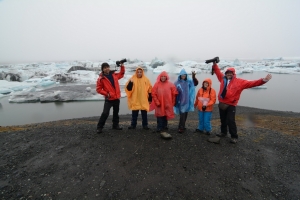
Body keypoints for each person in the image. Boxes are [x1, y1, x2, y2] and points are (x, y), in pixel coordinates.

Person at [209, 63, 272, 144]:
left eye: (230, 73)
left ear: (233, 74)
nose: (228, 74)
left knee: (231, 120)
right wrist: (214, 65)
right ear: (225, 74)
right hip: (222, 103)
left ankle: (234, 136)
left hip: (231, 104)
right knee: (223, 119)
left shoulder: (239, 82)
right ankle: (223, 132)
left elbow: (252, 83)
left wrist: (264, 80)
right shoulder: (222, 79)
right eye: (227, 73)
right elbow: (217, 71)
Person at [96, 62, 125, 133]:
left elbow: (121, 73)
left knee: (116, 113)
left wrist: (122, 66)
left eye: (107, 67)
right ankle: (99, 127)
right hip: (109, 99)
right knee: (105, 113)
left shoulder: (114, 75)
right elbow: (98, 89)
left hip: (116, 98)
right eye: (105, 68)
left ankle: (115, 125)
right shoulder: (101, 78)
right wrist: (107, 94)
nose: (107, 69)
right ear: (102, 69)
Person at [151, 71, 178, 139]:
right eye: (162, 76)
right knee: (160, 115)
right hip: (159, 103)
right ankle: (159, 127)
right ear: (160, 77)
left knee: (165, 115)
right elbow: (153, 94)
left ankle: (165, 126)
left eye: (164, 76)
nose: (163, 77)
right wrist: (157, 102)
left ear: (166, 77)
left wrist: (173, 102)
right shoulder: (157, 84)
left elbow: (174, 93)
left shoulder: (170, 84)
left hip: (167, 103)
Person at [174, 69, 197, 133]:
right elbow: (173, 91)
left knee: (185, 114)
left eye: (184, 75)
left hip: (187, 101)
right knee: (182, 115)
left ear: (186, 75)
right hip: (180, 101)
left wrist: (194, 78)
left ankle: (182, 126)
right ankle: (181, 127)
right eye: (182, 75)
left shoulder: (188, 81)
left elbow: (195, 84)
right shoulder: (177, 82)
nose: (183, 76)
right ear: (180, 75)